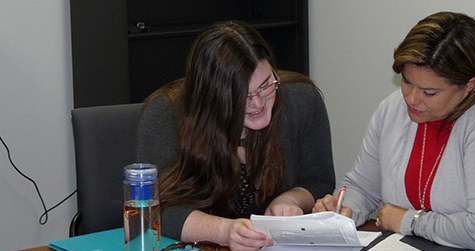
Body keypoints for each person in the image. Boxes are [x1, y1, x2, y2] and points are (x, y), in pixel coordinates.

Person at [313, 12, 475, 250]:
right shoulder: (393, 110)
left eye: (429, 92)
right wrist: (344, 209)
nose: (412, 99)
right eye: (406, 81)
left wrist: (409, 221)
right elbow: (363, 186)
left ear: (470, 85)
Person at [136, 21, 335, 251]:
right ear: (212, 97)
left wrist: (290, 199)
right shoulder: (167, 113)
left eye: (265, 85)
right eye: (242, 96)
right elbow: (152, 209)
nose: (258, 103)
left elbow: (318, 181)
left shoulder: (302, 101)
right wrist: (223, 231)